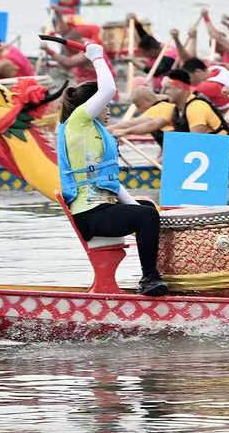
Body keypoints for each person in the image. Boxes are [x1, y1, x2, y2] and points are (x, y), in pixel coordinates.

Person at [56, 41, 168, 295]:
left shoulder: (92, 132)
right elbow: (108, 88)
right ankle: (149, 278)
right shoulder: (78, 122)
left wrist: (136, 206)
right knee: (146, 216)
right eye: (104, 106)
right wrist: (97, 56)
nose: (108, 110)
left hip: (101, 207)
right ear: (91, 107)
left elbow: (111, 183)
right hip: (90, 214)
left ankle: (156, 275)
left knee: (147, 209)